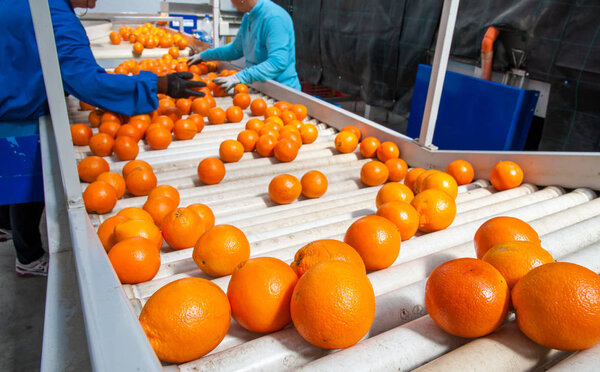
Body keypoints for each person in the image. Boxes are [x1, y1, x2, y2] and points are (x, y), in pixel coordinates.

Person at [0, 0, 204, 276]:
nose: (95, 1)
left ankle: (5, 226)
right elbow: (87, 81)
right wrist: (161, 83)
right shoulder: (54, 14)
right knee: (25, 187)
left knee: (10, 180)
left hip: (9, 92)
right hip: (16, 110)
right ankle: (28, 258)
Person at [188, 0, 301, 93]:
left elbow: (278, 62)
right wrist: (204, 55)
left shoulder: (274, 18)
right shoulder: (248, 17)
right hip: (260, 88)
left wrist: (240, 77)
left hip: (283, 93)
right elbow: (235, 50)